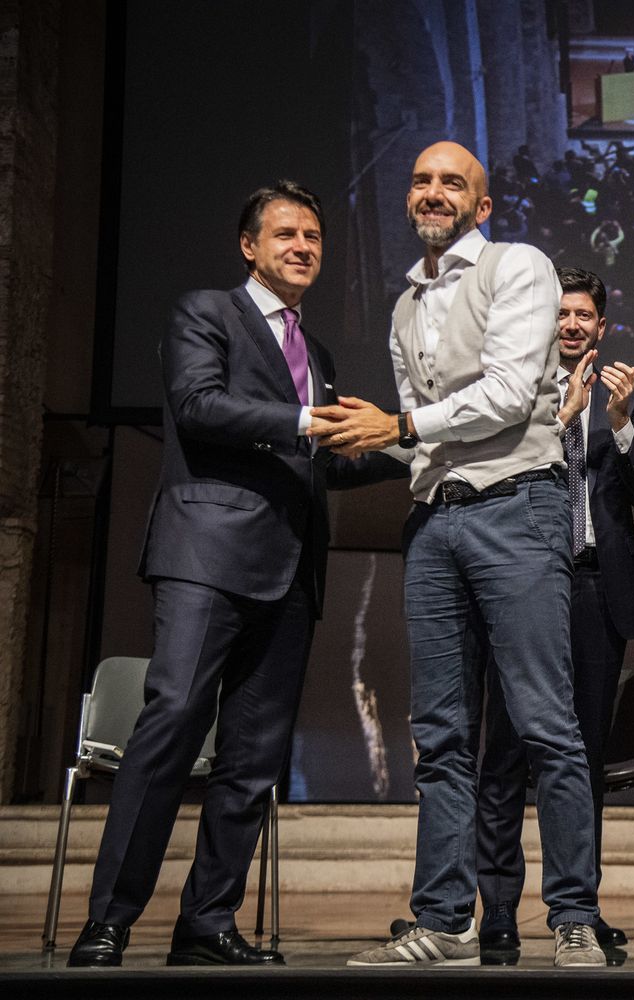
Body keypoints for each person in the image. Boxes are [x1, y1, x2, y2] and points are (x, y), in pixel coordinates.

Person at [68, 181, 404, 968]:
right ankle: (110, 920)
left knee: (254, 760)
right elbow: (198, 406)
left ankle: (208, 922)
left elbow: (316, 460)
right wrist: (303, 422)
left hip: (291, 573)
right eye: (286, 233)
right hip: (209, 558)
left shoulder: (315, 354)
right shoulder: (204, 313)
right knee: (172, 724)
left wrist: (402, 452)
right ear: (248, 246)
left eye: (315, 236)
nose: (303, 246)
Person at [315, 141, 606, 968]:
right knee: (439, 735)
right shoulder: (407, 303)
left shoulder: (519, 266)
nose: (432, 192)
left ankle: (574, 914)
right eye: (421, 181)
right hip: (436, 521)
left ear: (481, 206)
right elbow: (421, 438)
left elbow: (513, 395)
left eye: (453, 183)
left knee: (547, 726)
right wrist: (372, 443)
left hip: (517, 509)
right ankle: (443, 918)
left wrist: (401, 428)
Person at [476, 268, 634, 960]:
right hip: (520, 584)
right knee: (502, 754)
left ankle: (576, 906)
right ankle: (497, 906)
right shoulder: (514, 390)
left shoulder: (627, 403)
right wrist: (558, 421)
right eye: (561, 314)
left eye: (584, 315)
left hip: (593, 590)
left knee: (580, 758)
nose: (572, 325)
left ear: (601, 327)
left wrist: (615, 424)